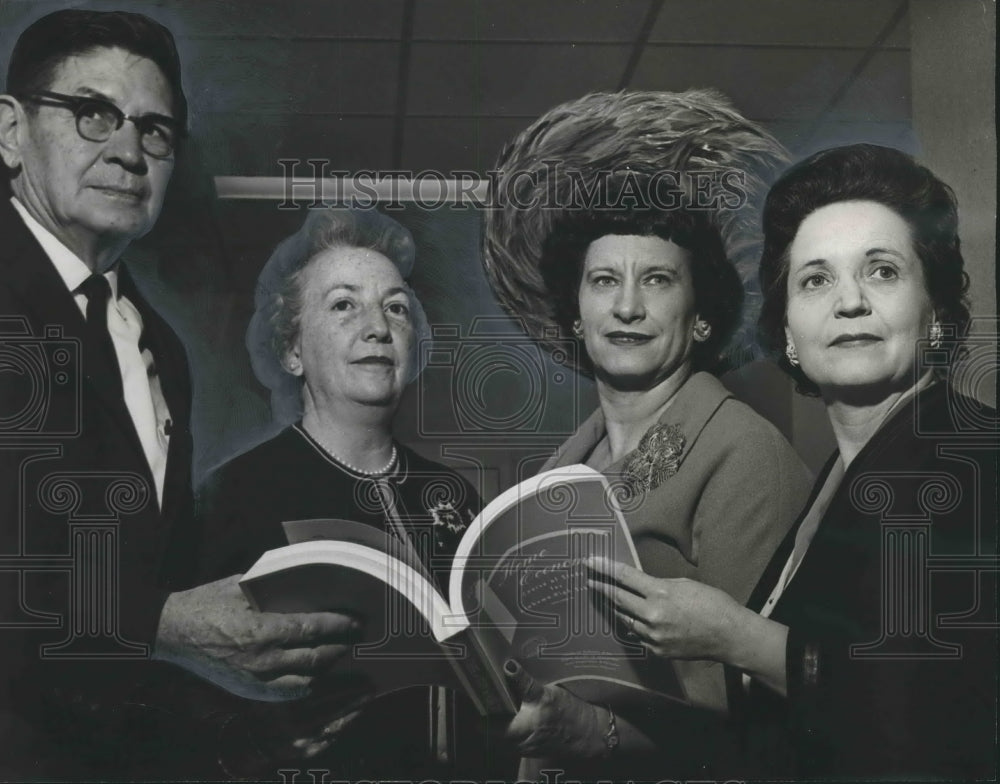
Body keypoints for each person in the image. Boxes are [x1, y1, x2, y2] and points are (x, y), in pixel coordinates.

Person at [0, 10, 354, 779]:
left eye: (155, 130)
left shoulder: (156, 342)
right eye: (92, 114)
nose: (128, 152)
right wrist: (163, 625)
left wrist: (239, 711)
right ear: (9, 132)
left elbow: (141, 589)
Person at [589, 143, 998, 779]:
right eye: (816, 279)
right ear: (788, 332)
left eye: (882, 271)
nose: (850, 301)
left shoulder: (975, 454)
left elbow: (937, 711)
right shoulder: (840, 477)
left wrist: (734, 636)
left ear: (937, 313)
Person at [482, 90, 813, 780]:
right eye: (604, 280)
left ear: (700, 318)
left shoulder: (747, 456)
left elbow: (749, 707)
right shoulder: (558, 466)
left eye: (657, 279)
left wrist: (592, 733)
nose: (627, 305)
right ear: (576, 315)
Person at [196, 207, 487, 778]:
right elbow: (186, 691)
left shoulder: (453, 492)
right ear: (292, 351)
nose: (377, 326)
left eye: (396, 307)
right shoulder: (234, 495)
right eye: (343, 304)